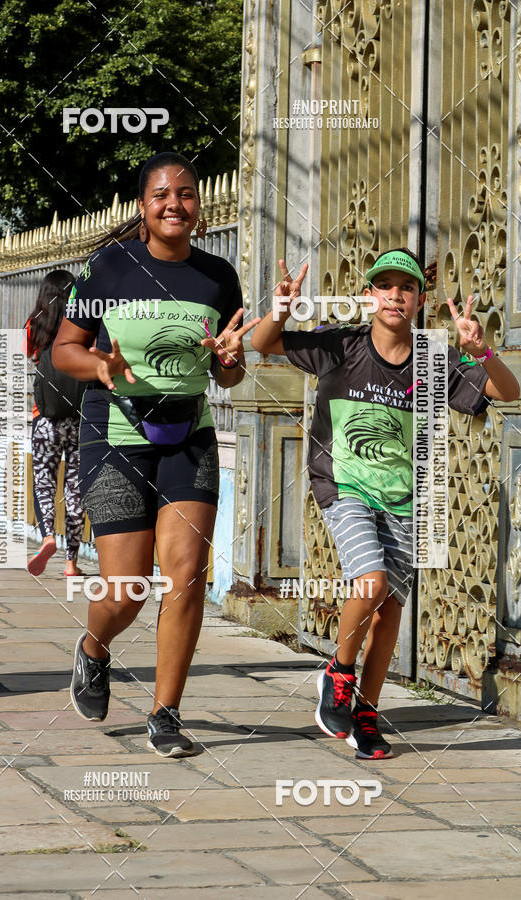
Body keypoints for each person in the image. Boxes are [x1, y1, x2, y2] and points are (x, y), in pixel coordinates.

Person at [251, 247, 519, 759]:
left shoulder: (435, 360)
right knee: (369, 582)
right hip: (342, 486)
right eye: (385, 286)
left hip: (406, 498)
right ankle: (338, 672)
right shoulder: (342, 345)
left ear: (420, 299)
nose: (395, 295)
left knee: (390, 610)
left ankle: (367, 717)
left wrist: (481, 351)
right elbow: (265, 343)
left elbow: (507, 391)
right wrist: (281, 306)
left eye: (407, 287)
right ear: (370, 295)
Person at [52, 151, 260, 757]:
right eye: (162, 195)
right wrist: (99, 364)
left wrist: (229, 363)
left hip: (188, 437)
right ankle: (94, 649)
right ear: (144, 207)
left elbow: (231, 372)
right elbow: (65, 349)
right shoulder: (107, 269)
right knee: (126, 591)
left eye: (187, 194)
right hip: (114, 436)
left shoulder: (218, 277)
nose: (175, 204)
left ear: (200, 205)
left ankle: (166, 714)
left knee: (188, 575)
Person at [25, 270, 86, 578]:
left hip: (45, 418)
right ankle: (71, 563)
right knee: (75, 489)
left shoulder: (33, 325)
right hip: (80, 419)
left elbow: (32, 356)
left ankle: (48, 536)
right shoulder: (84, 325)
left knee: (45, 482)